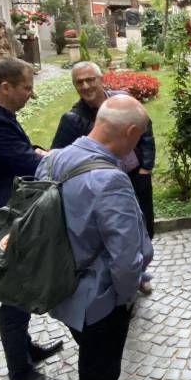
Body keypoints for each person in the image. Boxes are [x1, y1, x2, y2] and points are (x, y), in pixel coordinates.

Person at [37, 94, 151, 380]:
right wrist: (124, 299)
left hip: (62, 288)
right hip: (99, 302)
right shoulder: (111, 180)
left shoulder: (53, 160)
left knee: (93, 363)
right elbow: (126, 258)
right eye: (139, 137)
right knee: (96, 377)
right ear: (130, 131)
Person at [0, 58, 63, 380]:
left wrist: (36, 150)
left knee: (20, 290)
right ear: (5, 87)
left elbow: (23, 151)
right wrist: (53, 157)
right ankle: (20, 373)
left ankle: (26, 349)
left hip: (9, 214)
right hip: (1, 220)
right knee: (14, 294)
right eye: (27, 87)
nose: (31, 94)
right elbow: (25, 160)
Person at [52, 61, 156, 294]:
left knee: (142, 225)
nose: (86, 86)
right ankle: (122, 279)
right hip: (100, 185)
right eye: (79, 82)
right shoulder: (72, 118)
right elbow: (58, 153)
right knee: (113, 232)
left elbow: (145, 130)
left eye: (91, 79)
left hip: (134, 175)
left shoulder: (121, 102)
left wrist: (145, 167)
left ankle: (139, 271)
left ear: (102, 79)